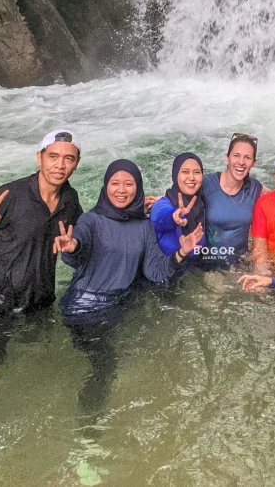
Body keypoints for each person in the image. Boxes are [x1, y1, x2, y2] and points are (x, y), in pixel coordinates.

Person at [54, 159, 202, 411]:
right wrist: (71, 247)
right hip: (82, 307)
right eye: (115, 183)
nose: (121, 190)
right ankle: (89, 426)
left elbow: (156, 271)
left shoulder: (144, 227)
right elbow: (78, 249)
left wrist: (181, 252)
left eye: (128, 184)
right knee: (106, 365)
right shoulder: (91, 220)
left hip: (116, 306)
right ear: (105, 186)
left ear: (138, 188)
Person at [0, 129, 82, 408]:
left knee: (32, 358)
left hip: (37, 302)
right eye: (53, 157)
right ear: (39, 158)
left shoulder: (70, 201)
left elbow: (83, 241)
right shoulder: (10, 195)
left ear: (77, 163)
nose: (60, 165)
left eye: (68, 159)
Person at [200, 133, 263, 269]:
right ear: (226, 157)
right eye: (236, 155)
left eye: (247, 158)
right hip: (208, 264)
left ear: (254, 163)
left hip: (240, 265)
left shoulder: (254, 187)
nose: (241, 162)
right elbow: (180, 194)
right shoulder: (207, 184)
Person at [150, 152, 205, 259]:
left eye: (197, 172)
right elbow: (161, 217)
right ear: (175, 175)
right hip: (166, 272)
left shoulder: (202, 203)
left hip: (196, 268)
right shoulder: (161, 204)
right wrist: (175, 216)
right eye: (185, 172)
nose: (192, 177)